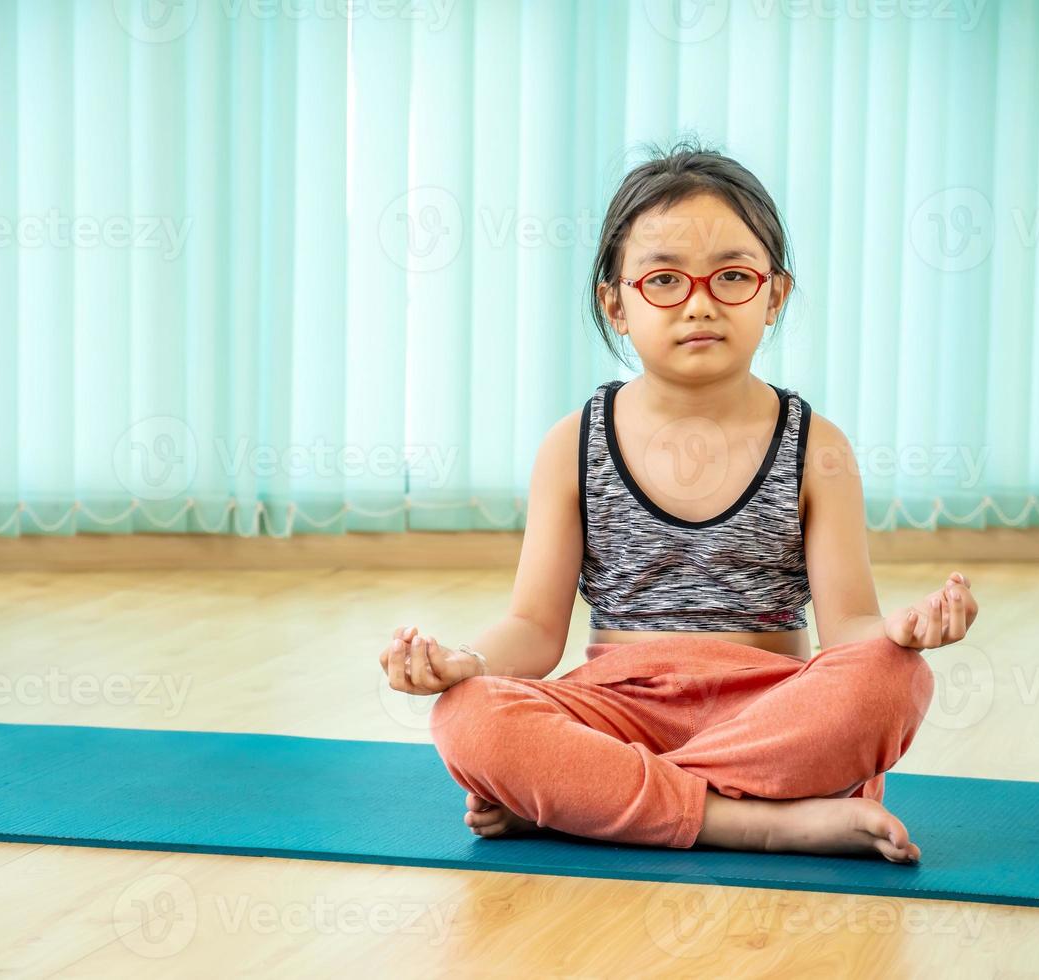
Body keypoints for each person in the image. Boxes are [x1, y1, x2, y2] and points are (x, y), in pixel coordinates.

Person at [377, 137, 978, 862]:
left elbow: (848, 626)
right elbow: (535, 633)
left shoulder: (818, 447)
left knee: (895, 681)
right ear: (617, 304)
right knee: (470, 717)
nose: (699, 305)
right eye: (664, 280)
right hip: (616, 709)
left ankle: (594, 803)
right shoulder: (573, 444)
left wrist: (902, 633)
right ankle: (756, 820)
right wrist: (464, 663)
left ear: (774, 295)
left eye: (731, 277)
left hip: (770, 711)